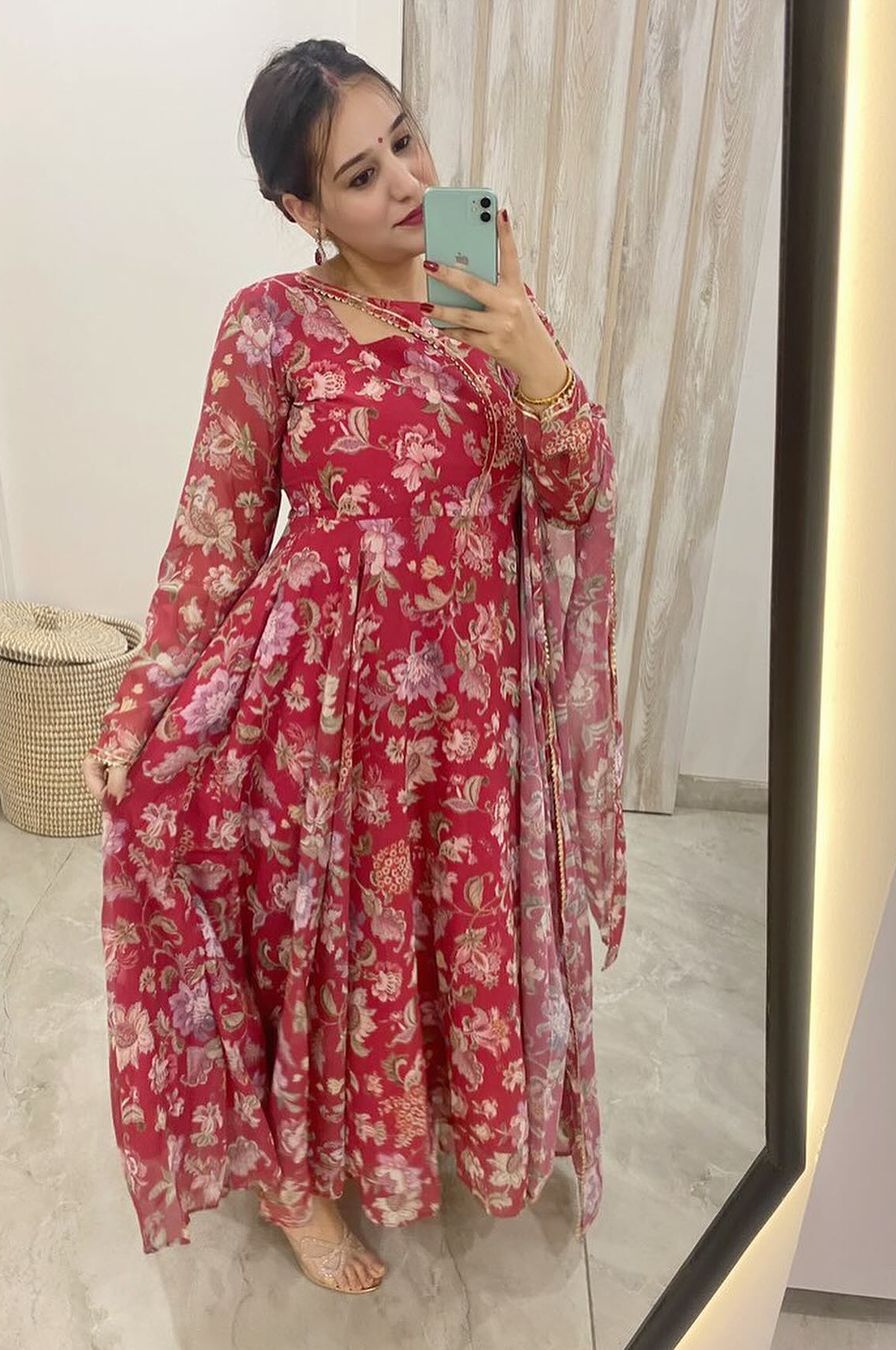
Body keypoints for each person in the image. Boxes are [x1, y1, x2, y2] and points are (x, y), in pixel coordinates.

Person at [81, 37, 626, 1295]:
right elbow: (215, 536)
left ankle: (413, 1135)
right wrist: (138, 709)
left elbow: (575, 492)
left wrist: (533, 358)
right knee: (316, 953)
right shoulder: (270, 324)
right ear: (301, 208)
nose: (406, 184)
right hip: (327, 719)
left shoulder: (488, 294)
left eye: (406, 143)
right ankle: (296, 1183)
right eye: (359, 175)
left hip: (475, 718)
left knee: (442, 941)